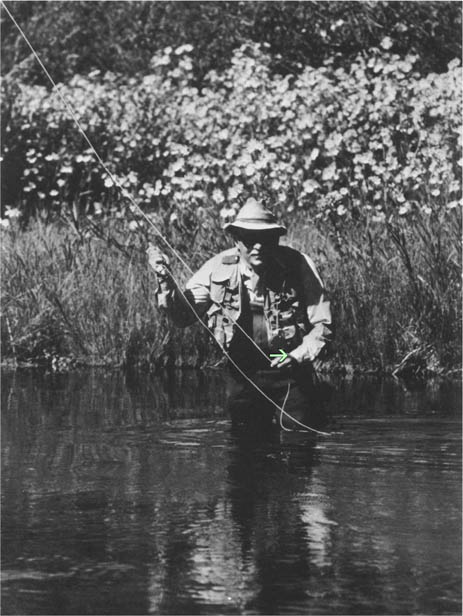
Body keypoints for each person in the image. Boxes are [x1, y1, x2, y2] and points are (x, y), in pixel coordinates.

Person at [147, 198, 332, 430]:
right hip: (243, 375)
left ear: (276, 239)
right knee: (246, 449)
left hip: (292, 373)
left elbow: (323, 325)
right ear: (236, 240)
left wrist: (297, 356)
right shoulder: (216, 268)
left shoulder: (299, 264)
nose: (258, 246)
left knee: (298, 444)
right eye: (249, 239)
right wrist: (165, 280)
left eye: (266, 239)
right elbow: (183, 317)